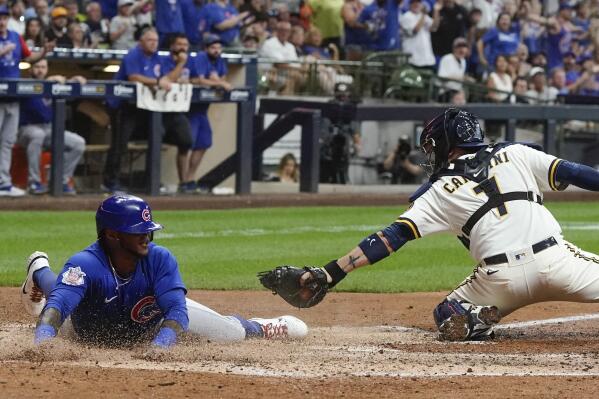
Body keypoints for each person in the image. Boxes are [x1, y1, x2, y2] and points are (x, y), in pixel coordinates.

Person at [272, 107, 599, 342]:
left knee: (447, 313)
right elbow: (577, 173)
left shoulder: (436, 190)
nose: (431, 154)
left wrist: (331, 272)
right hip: (559, 262)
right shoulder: (517, 153)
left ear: (444, 143)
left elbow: (391, 237)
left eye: (431, 146)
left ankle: (474, 324)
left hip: (500, 280)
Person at [22, 195, 308, 347]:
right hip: (86, 327)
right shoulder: (85, 264)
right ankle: (39, 268)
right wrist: (42, 346)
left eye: (148, 230)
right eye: (138, 232)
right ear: (111, 234)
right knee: (63, 294)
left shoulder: (160, 259)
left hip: (150, 324)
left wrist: (161, 345)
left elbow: (176, 312)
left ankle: (261, 326)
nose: (146, 236)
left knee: (230, 334)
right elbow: (57, 307)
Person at [102, 26, 191, 193]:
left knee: (156, 139)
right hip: (123, 106)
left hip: (144, 107)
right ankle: (109, 182)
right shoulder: (133, 54)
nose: (153, 44)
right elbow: (133, 77)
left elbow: (166, 79)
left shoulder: (158, 57)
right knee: (120, 145)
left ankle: (150, 181)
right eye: (150, 40)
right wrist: (157, 82)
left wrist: (179, 69)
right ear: (141, 42)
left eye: (156, 40)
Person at [0, 5, 50, 197]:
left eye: (4, 18)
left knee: (7, 141)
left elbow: (29, 58)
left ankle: (4, 183)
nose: (2, 21)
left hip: (13, 97)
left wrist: (44, 51)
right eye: (0, 18)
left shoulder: (15, 36)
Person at [18, 58, 86, 195]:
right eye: (37, 67)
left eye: (43, 67)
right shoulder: (25, 84)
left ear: (47, 69)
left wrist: (74, 80)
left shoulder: (53, 84)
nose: (40, 70)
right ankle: (34, 182)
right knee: (38, 135)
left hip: (49, 129)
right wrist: (50, 82)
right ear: (30, 69)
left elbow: (70, 89)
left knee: (78, 143)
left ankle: (61, 180)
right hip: (26, 130)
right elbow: (38, 108)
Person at [181, 34, 231, 193]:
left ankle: (190, 179)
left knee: (203, 143)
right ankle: (183, 182)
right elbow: (200, 80)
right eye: (213, 47)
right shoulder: (200, 57)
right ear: (205, 48)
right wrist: (218, 82)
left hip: (203, 110)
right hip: (190, 108)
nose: (216, 50)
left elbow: (222, 78)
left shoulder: (220, 60)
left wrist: (217, 81)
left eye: (218, 47)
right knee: (187, 144)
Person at [400, 0, 436, 70]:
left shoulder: (424, 16)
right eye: (414, 2)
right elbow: (415, 30)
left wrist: (436, 11)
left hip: (427, 59)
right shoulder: (406, 16)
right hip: (413, 60)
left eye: (418, 2)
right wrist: (424, 14)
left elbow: (434, 27)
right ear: (410, 4)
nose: (416, 4)